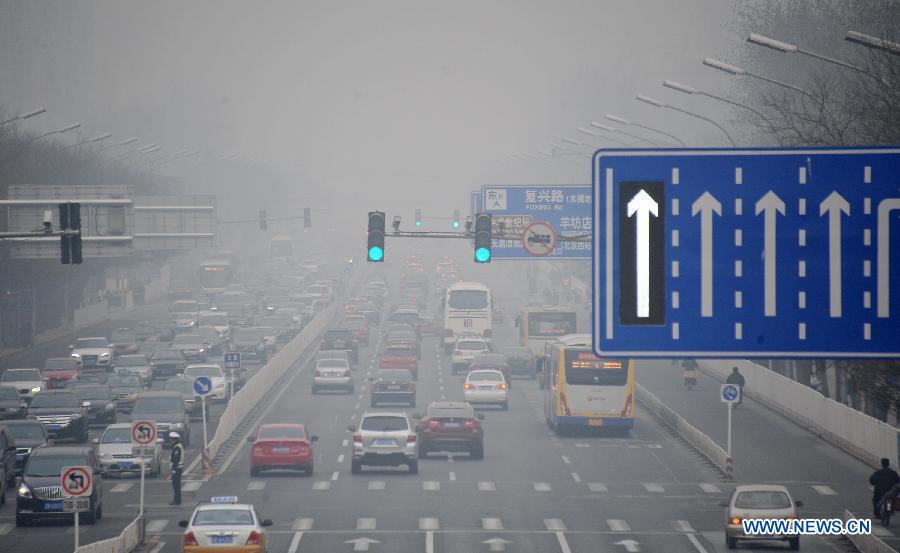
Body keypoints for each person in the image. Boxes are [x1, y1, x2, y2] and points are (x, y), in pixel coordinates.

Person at [169, 432, 185, 505]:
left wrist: (174, 469)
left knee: (176, 486)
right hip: (178, 468)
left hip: (177, 469)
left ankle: (177, 500)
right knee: (176, 485)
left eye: (171, 439)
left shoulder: (176, 447)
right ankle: (177, 500)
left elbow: (176, 459)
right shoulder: (178, 446)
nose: (170, 441)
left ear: (173, 440)